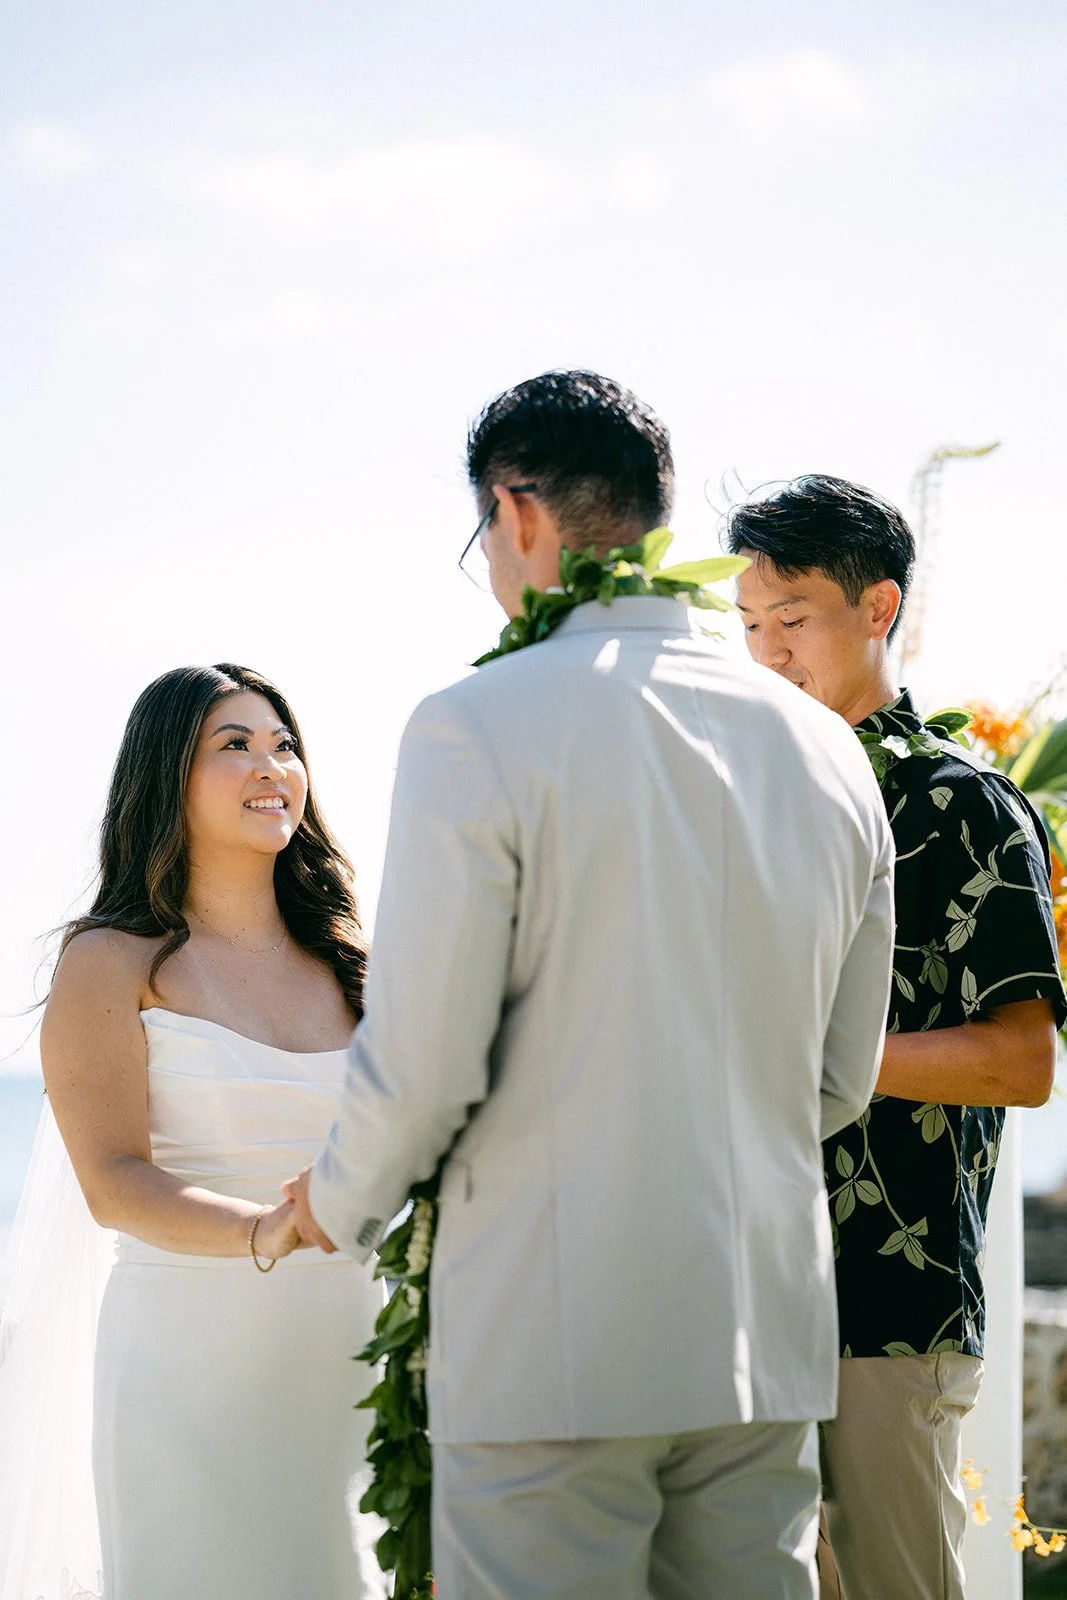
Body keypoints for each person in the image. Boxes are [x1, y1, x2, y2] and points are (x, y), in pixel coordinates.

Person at [285, 370, 896, 1599]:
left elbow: (424, 1066)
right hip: (763, 1344)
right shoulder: (827, 751)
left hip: (549, 1341)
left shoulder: (476, 723)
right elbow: (841, 1076)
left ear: (517, 515)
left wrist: (335, 1208)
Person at [727, 474, 1066, 1600]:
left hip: (890, 1296)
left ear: (878, 609)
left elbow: (1022, 1063)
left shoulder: (963, 801)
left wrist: (820, 1062)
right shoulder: (751, 800)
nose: (766, 653)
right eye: (747, 625)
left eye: (792, 621)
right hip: (742, 1283)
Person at [0, 664, 386, 1600]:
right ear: (166, 775)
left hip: (359, 1358)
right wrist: (262, 1231)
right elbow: (113, 1180)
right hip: (189, 1369)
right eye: (236, 745)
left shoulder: (352, 962)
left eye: (284, 745)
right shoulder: (110, 959)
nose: (273, 767)